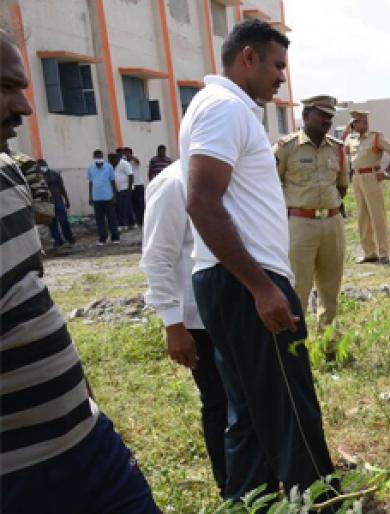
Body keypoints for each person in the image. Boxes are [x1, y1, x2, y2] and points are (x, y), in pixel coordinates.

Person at [0, 27, 160, 513]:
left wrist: (82, 399)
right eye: (6, 87)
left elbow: (34, 298)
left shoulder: (8, 175)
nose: (25, 107)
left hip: (89, 442)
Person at [181, 19, 336, 503]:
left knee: (248, 416)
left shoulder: (226, 109)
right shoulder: (224, 108)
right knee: (291, 410)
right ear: (247, 57)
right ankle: (318, 504)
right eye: (277, 65)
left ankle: (247, 503)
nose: (282, 77)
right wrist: (262, 287)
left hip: (235, 281)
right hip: (247, 284)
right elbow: (201, 201)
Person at [140, 161, 229, 496]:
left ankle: (255, 478)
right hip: (198, 320)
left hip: (237, 311)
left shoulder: (230, 173)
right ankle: (230, 486)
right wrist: (173, 325)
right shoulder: (172, 183)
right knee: (219, 401)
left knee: (246, 401)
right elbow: (157, 258)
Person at [274, 95, 348, 329]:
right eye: (322, 115)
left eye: (330, 116)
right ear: (306, 116)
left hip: (332, 222)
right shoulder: (287, 147)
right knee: (298, 287)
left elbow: (342, 186)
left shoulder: (337, 149)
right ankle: (296, 347)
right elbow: (270, 184)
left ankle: (329, 346)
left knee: (330, 288)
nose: (327, 121)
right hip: (300, 224)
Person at [344, 109, 390, 264]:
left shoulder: (376, 137)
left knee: (377, 216)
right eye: (353, 122)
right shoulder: (352, 139)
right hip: (356, 177)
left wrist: (386, 171)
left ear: (365, 122)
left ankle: (383, 252)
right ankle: (369, 252)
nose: (355, 124)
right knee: (362, 217)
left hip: (372, 177)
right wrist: (347, 131)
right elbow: (342, 150)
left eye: (358, 121)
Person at [40, 158, 77, 248]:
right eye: (40, 166)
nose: (42, 167)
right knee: (52, 223)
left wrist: (67, 200)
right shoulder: (38, 177)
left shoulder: (55, 174)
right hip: (47, 203)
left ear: (46, 165)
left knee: (64, 221)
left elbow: (62, 188)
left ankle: (70, 238)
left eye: (43, 165)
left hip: (58, 201)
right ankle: (57, 240)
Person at [88, 149, 121, 245]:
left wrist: (115, 195)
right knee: (99, 219)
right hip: (96, 198)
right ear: (94, 158)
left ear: (102, 157)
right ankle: (102, 238)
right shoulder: (90, 168)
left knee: (112, 218)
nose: (99, 158)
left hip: (108, 197)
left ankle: (115, 237)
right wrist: (90, 196)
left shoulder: (109, 167)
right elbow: (90, 183)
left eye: (100, 156)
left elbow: (112, 181)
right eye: (97, 157)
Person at [114, 147, 136, 229]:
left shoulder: (124, 163)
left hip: (125, 188)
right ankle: (131, 223)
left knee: (124, 207)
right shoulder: (114, 164)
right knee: (126, 207)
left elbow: (131, 175)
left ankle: (124, 224)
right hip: (119, 189)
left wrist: (129, 188)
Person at [126, 147, 146, 225]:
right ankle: (138, 220)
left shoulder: (134, 161)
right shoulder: (124, 163)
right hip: (131, 186)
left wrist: (131, 157)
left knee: (140, 204)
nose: (126, 155)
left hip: (138, 184)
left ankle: (143, 219)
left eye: (128, 153)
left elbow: (138, 161)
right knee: (134, 204)